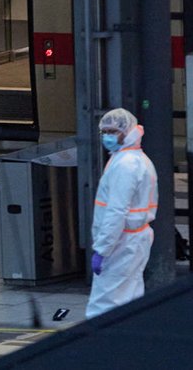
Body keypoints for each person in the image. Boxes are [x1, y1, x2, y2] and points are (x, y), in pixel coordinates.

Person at [85, 108, 158, 319]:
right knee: (129, 298)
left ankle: (102, 347)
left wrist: (103, 249)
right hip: (133, 240)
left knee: (105, 304)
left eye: (113, 131)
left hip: (122, 242)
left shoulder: (125, 165)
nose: (107, 136)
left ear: (128, 132)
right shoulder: (135, 159)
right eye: (105, 131)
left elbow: (116, 211)